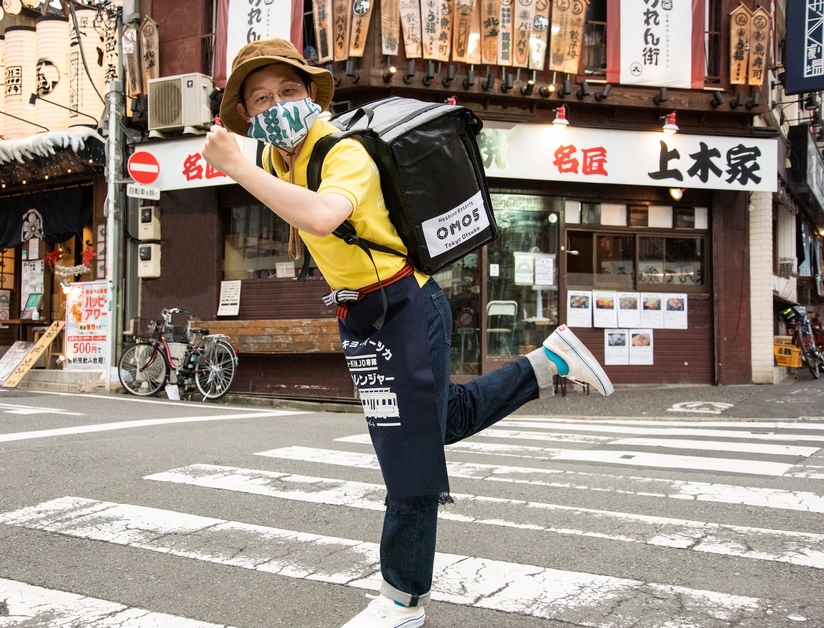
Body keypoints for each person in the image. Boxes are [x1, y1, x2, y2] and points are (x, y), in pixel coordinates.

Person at [203, 38, 613, 628]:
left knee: (408, 456)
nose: (278, 106)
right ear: (246, 112)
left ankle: (403, 599)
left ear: (311, 94)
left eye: (289, 91)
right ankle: (547, 364)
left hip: (405, 307)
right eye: (261, 99)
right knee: (438, 423)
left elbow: (322, 216)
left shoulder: (342, 152)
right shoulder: (275, 156)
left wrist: (237, 167)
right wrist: (247, 161)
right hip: (363, 314)